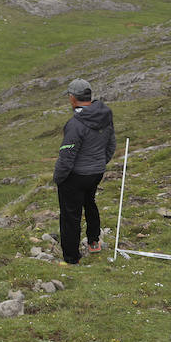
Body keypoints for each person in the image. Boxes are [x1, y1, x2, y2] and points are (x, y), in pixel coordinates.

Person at [53, 78, 117, 264]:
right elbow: (111, 144)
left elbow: (67, 156)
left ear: (73, 98)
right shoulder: (105, 115)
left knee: (70, 215)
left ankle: (71, 258)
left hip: (76, 176)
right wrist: (99, 163)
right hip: (96, 172)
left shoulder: (75, 124)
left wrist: (59, 178)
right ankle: (94, 241)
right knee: (90, 202)